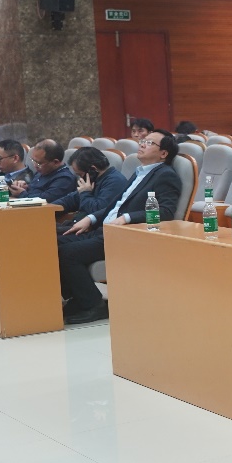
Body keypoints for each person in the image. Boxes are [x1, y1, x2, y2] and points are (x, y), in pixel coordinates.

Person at [58, 130, 182, 325]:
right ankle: (78, 297)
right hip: (104, 229)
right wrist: (90, 218)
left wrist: (127, 218)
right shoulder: (140, 172)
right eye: (143, 140)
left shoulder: (165, 176)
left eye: (150, 143)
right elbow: (115, 206)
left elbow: (166, 212)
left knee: (67, 253)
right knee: (53, 243)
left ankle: (94, 305)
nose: (142, 144)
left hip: (124, 235)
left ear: (163, 153)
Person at [54, 147, 129, 228]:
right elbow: (71, 199)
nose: (80, 179)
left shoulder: (115, 181)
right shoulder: (94, 179)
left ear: (93, 169)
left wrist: (85, 193)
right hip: (78, 225)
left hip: (95, 229)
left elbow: (98, 212)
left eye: (80, 175)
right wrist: (48, 208)